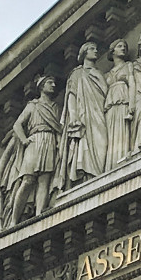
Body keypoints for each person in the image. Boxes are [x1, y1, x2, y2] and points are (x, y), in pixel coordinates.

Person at [0, 75, 61, 227]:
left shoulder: (55, 107)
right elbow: (17, 125)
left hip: (49, 141)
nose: (53, 85)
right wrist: (24, 140)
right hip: (34, 141)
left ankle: (39, 215)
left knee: (44, 179)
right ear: (41, 87)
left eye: (53, 83)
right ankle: (14, 221)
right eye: (50, 83)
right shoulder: (33, 105)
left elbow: (57, 128)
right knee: (28, 180)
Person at [56, 42, 109, 186]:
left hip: (99, 112)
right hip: (84, 115)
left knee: (102, 143)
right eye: (92, 49)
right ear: (84, 52)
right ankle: (88, 177)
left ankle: (98, 174)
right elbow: (71, 96)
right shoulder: (77, 73)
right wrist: (73, 116)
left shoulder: (99, 73)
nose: (96, 51)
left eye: (96, 48)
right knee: (86, 144)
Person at [103, 38, 137, 169]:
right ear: (112, 51)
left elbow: (132, 83)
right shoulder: (107, 74)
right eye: (119, 46)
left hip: (123, 101)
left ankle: (121, 158)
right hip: (110, 106)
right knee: (111, 135)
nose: (123, 48)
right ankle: (111, 165)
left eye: (124, 47)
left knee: (122, 131)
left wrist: (132, 105)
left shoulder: (128, 65)